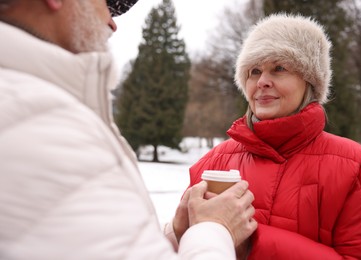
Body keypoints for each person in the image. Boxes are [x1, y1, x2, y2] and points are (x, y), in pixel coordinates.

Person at [0, 0, 257, 259]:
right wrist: (214, 228)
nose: (112, 23)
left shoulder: (35, 113)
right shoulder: (44, 127)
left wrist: (174, 236)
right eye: (103, 3)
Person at [186, 13, 361, 259]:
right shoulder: (212, 162)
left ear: (310, 82)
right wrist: (177, 234)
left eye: (279, 68)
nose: (262, 81)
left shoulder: (353, 165)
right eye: (254, 71)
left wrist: (253, 243)